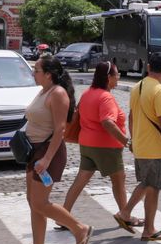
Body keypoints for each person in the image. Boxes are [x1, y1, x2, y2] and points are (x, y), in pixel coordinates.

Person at [16, 56, 92, 244]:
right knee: (33, 201)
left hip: (49, 152)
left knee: (40, 203)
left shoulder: (58, 93)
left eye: (37, 70)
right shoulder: (43, 91)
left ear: (48, 74)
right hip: (35, 151)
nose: (33, 73)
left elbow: (60, 129)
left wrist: (47, 159)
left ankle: (79, 228)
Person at [57, 62, 145, 233]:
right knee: (118, 181)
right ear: (108, 77)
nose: (118, 77)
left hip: (87, 144)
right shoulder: (106, 97)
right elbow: (107, 122)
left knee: (80, 180)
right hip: (106, 147)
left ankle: (63, 215)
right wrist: (126, 141)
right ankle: (125, 215)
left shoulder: (88, 93)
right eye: (116, 74)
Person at [119, 52, 161, 241]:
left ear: (148, 67)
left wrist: (134, 140)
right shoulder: (160, 90)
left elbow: (131, 117)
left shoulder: (137, 87)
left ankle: (125, 213)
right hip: (155, 148)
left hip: (140, 145)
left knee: (147, 183)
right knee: (153, 188)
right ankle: (148, 229)